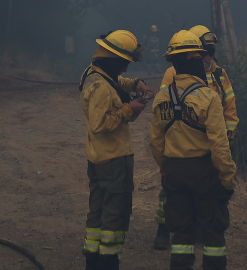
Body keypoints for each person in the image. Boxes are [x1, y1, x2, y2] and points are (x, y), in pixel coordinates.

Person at [150, 30, 237, 270]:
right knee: (213, 232)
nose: (204, 60)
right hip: (204, 172)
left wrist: (166, 169)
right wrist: (227, 179)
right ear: (191, 60)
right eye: (199, 57)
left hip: (174, 172)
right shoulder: (208, 97)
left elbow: (156, 143)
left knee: (181, 232)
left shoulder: (161, 98)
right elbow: (219, 146)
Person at [79, 30, 154, 270]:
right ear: (113, 59)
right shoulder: (101, 87)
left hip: (98, 158)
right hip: (114, 159)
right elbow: (99, 123)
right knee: (115, 213)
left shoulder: (93, 74)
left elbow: (115, 81)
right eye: (124, 63)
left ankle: (92, 257)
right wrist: (129, 110)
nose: (125, 70)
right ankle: (108, 261)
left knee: (98, 209)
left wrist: (135, 84)